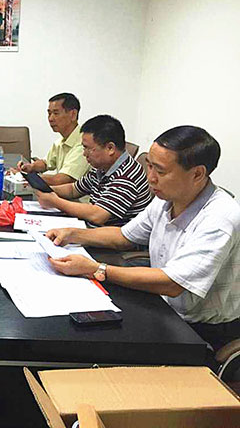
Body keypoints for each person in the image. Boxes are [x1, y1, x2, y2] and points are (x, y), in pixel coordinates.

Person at [46, 126, 240, 352]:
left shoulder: (220, 218)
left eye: (160, 171)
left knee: (100, 348)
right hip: (162, 304)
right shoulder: (166, 198)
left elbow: (173, 283)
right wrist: (73, 234)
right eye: (149, 166)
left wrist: (97, 269)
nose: (150, 178)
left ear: (197, 174)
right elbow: (123, 236)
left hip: (201, 329)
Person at [34, 115, 151, 227]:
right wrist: (46, 190)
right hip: (93, 229)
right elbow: (74, 189)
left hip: (110, 237)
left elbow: (97, 215)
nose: (84, 154)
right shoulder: (102, 167)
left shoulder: (127, 175)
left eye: (87, 148)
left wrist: (55, 201)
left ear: (110, 148)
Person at [17, 93, 90, 185]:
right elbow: (46, 163)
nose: (50, 119)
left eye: (56, 113)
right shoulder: (60, 142)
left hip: (75, 194)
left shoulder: (84, 145)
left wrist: (24, 176)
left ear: (73, 115)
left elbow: (61, 180)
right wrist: (31, 167)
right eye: (49, 113)